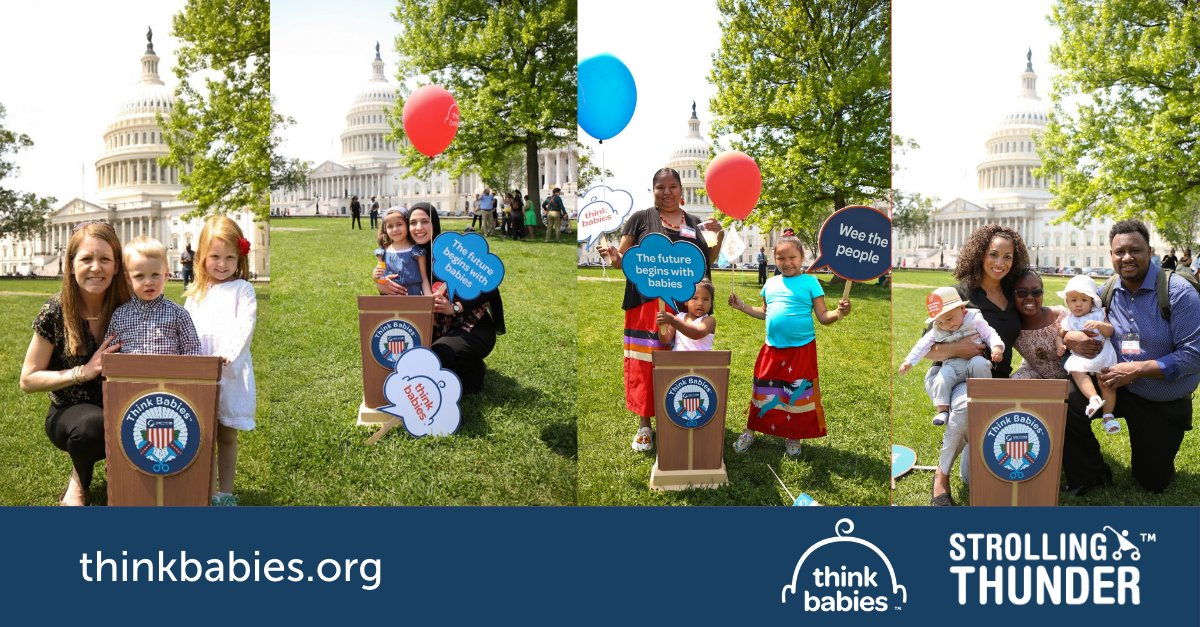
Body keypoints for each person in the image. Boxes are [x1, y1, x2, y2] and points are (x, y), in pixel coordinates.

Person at [1062, 219, 1200, 494]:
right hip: (1114, 386)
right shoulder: (1108, 291)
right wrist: (1068, 337)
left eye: (1135, 250)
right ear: (1111, 256)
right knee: (1064, 400)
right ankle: (1090, 473)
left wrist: (1137, 370)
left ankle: (1158, 451)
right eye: (1119, 252)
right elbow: (1074, 315)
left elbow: (1194, 355)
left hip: (1160, 397)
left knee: (1152, 481)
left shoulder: (1179, 293)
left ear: (1149, 251)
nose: (1126, 257)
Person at [596, 168, 723, 452]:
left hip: (686, 306)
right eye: (661, 187)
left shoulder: (694, 223)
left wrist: (720, 237)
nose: (667, 192)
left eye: (672, 187)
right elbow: (623, 260)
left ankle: (677, 416)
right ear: (653, 190)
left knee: (681, 363)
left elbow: (706, 262)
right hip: (647, 303)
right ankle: (644, 426)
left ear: (681, 190)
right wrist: (615, 257)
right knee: (646, 364)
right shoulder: (641, 219)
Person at [20, 222, 130, 505]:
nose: (96, 267)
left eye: (105, 259)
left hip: (125, 407)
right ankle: (79, 481)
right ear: (70, 265)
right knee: (92, 426)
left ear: (116, 266)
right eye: (86, 259)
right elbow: (28, 380)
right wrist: (84, 371)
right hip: (71, 413)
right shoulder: (55, 311)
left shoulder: (130, 309)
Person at [924, 224, 1028, 506]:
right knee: (966, 404)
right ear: (980, 255)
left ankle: (973, 444)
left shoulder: (1012, 295)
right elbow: (927, 350)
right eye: (993, 254)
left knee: (974, 477)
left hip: (997, 381)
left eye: (1007, 257)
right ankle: (940, 477)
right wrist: (961, 348)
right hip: (954, 377)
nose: (1000, 263)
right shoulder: (960, 294)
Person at [728, 236, 850, 456]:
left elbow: (823, 316)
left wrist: (839, 313)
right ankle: (750, 430)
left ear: (802, 257)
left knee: (796, 392)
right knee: (763, 389)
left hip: (801, 350)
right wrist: (742, 306)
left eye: (792, 257)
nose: (787, 262)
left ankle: (793, 435)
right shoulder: (771, 283)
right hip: (772, 349)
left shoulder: (810, 283)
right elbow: (764, 312)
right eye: (781, 258)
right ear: (775, 259)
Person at [185, 216, 258, 506]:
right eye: (214, 256)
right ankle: (206, 489)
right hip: (200, 371)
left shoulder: (243, 289)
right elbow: (186, 330)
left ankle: (225, 493)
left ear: (239, 257)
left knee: (225, 434)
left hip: (229, 369)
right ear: (201, 257)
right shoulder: (196, 293)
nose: (222, 264)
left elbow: (245, 325)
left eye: (230, 257)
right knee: (204, 435)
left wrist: (229, 352)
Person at [406, 202, 505, 394]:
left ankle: (473, 371)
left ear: (434, 223)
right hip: (434, 329)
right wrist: (381, 283)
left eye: (425, 221)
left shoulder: (452, 251)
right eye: (413, 222)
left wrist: (455, 307)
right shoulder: (408, 257)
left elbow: (489, 286)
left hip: (471, 327)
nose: (418, 228)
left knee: (437, 355)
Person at [899, 286, 1003, 426]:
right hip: (953, 366)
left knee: (981, 364)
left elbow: (989, 333)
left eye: (949, 318)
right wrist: (909, 361)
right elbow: (922, 345)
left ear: (962, 309)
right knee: (943, 376)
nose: (946, 325)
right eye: (940, 322)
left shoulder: (974, 319)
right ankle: (943, 411)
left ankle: (983, 400)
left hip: (974, 360)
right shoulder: (937, 329)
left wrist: (997, 347)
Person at [106, 235, 202, 356]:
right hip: (130, 375)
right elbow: (109, 353)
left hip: (170, 374)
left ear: (166, 274)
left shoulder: (179, 315)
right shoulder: (119, 316)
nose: (148, 282)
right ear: (128, 278)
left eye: (155, 274)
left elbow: (193, 351)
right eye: (139, 276)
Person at [1055, 274, 1119, 433]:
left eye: (1084, 300)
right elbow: (1059, 335)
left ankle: (1108, 417)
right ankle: (1093, 398)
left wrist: (1099, 325)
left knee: (1106, 382)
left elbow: (1110, 331)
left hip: (1102, 353)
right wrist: (1059, 345)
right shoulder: (1068, 320)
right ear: (1067, 303)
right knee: (1077, 371)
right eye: (1073, 300)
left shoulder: (1099, 314)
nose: (1078, 304)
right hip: (1082, 357)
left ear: (1092, 301)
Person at [1008, 270, 1069, 381]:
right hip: (1035, 372)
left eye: (1036, 292)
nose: (1030, 297)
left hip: (1071, 373)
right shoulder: (1012, 325)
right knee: (1014, 383)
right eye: (1022, 293)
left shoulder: (1061, 315)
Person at [372, 206, 430, 296]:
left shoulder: (417, 251)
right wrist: (376, 278)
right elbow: (381, 278)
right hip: (391, 302)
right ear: (385, 229)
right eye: (390, 226)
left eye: (399, 224)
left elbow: (424, 279)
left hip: (414, 299)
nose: (395, 229)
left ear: (407, 225)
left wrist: (429, 301)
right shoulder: (382, 253)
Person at [656, 279, 716, 351]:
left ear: (711, 303)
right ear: (686, 301)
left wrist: (673, 320)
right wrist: (663, 328)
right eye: (694, 298)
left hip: (701, 361)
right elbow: (666, 340)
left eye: (706, 299)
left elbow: (697, 333)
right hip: (678, 361)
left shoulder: (709, 320)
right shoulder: (678, 317)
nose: (700, 303)